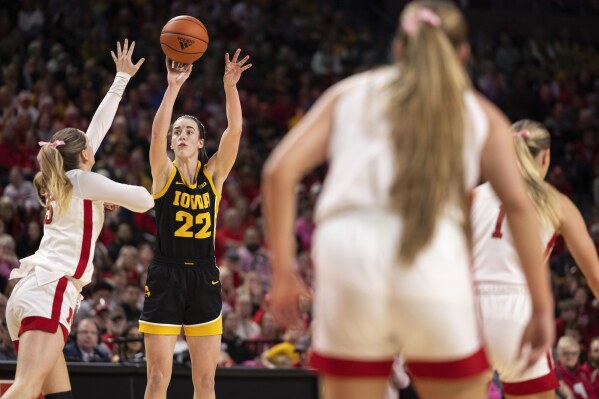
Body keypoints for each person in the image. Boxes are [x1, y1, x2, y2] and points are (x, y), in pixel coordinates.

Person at [262, 2, 554, 398]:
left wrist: (283, 272)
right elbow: (519, 206)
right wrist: (540, 306)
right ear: (463, 53)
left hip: (346, 253)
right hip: (431, 251)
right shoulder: (478, 111)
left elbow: (279, 172)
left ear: (398, 47)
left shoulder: (350, 92)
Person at [3, 39, 151, 399]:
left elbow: (94, 132)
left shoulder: (65, 179)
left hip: (33, 289)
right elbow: (145, 200)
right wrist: (110, 193)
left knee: (58, 395)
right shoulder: (83, 181)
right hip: (51, 289)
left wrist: (121, 78)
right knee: (25, 387)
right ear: (84, 154)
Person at [139, 49, 251, 399]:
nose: (181, 135)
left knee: (205, 382)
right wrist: (173, 87)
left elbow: (234, 130)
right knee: (158, 379)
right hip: (166, 275)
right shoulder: (164, 173)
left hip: (204, 275)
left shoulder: (213, 175)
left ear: (201, 142)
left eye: (189, 131)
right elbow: (155, 137)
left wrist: (230, 87)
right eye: (177, 132)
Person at [472, 119, 599, 398]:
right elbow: (595, 276)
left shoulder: (471, 197)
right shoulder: (556, 202)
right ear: (546, 156)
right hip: (517, 315)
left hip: (466, 313)